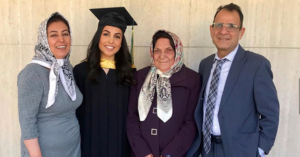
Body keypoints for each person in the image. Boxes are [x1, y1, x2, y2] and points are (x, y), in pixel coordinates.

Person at [187, 3, 280, 157]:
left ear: (241, 32)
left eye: (231, 26)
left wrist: (259, 150)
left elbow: (271, 114)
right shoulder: (205, 64)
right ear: (211, 30)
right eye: (219, 25)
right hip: (206, 149)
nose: (223, 31)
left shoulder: (257, 65)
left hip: (241, 151)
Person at [73, 7, 136, 157]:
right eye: (106, 34)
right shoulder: (81, 71)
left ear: (122, 42)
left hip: (120, 146)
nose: (111, 41)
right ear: (98, 37)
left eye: (117, 36)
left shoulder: (130, 73)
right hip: (89, 144)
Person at [127, 30, 201, 157]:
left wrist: (168, 154)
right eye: (157, 50)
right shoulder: (140, 76)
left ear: (177, 51)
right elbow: (132, 117)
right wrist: (143, 152)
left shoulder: (191, 79)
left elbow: (191, 123)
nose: (162, 56)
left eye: (168, 50)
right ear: (152, 52)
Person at [18, 12, 83, 157]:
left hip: (72, 151)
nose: (61, 39)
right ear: (44, 39)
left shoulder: (67, 69)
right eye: (53, 35)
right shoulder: (32, 73)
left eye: (65, 34)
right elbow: (27, 124)